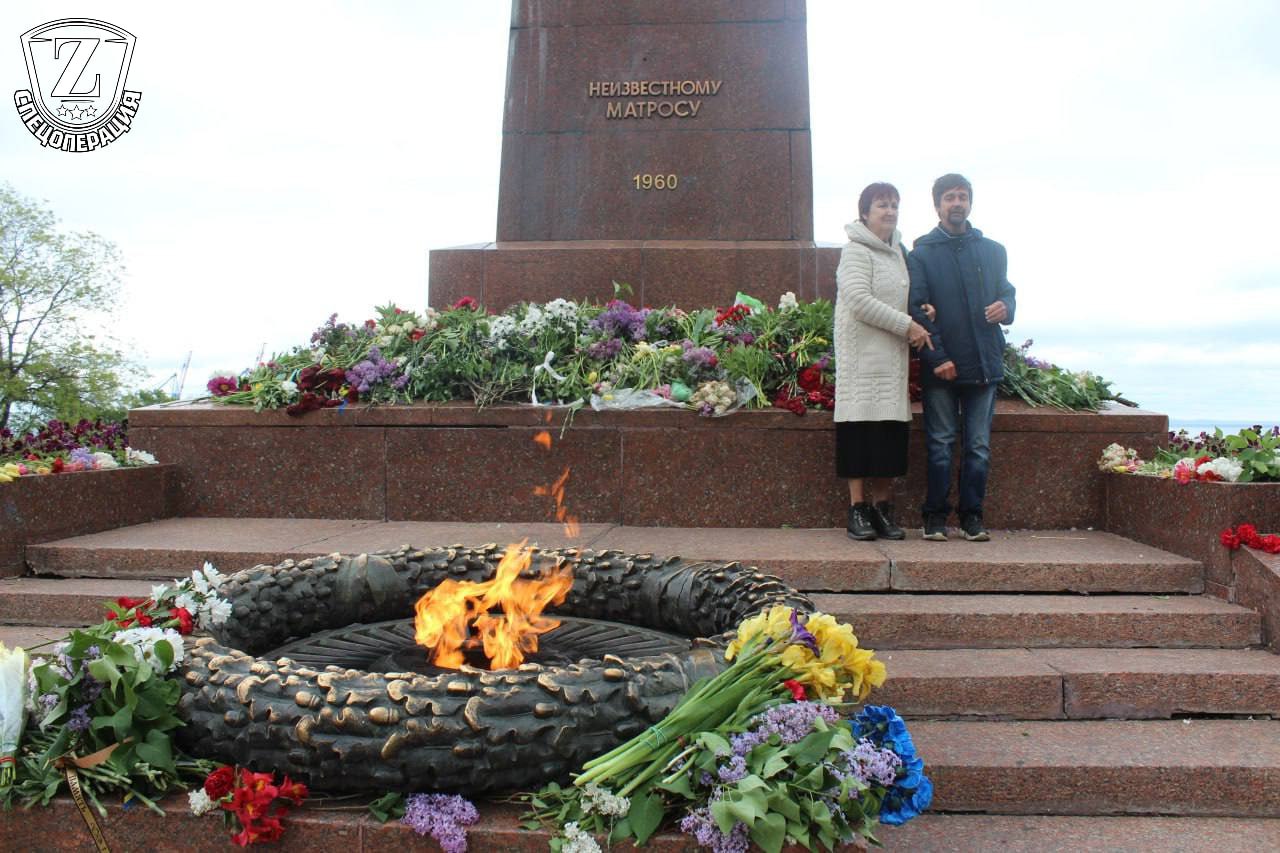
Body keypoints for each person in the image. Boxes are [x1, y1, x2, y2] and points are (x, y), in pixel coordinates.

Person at [907, 174, 1017, 542]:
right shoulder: (922, 254)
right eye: (950, 197)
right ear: (937, 205)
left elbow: (1006, 292)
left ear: (970, 202)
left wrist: (1007, 307)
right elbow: (917, 309)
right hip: (942, 367)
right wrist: (937, 357)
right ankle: (935, 518)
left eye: (963, 197)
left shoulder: (993, 251)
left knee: (979, 447)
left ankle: (972, 517)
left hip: (984, 364)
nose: (957, 203)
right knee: (940, 444)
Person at [834, 182, 935, 541]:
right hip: (862, 360)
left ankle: (882, 510)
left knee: (888, 438)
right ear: (865, 213)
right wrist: (907, 325)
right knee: (859, 437)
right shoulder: (856, 251)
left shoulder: (898, 253)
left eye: (894, 204)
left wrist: (920, 309)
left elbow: (902, 297)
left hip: (891, 360)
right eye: (881, 205)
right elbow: (859, 300)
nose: (890, 211)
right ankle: (857, 511)